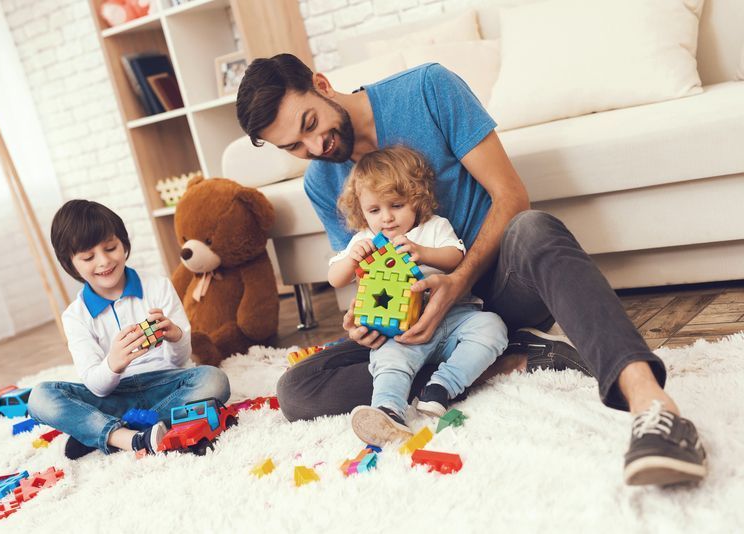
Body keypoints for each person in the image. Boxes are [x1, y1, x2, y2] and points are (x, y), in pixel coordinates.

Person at [235, 53, 707, 486]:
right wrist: (365, 318)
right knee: (298, 391)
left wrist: (457, 281)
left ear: (321, 84)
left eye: (311, 124)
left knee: (534, 227)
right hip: (420, 323)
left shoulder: (427, 89)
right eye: (294, 146)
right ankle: (504, 357)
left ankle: (652, 406)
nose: (315, 146)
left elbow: (511, 195)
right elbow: (364, 271)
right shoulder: (322, 179)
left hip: (498, 287)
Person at [330, 145, 508, 446]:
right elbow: (335, 278)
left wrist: (422, 252)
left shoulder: (433, 227)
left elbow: (455, 257)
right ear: (362, 211)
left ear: (416, 199)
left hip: (455, 318)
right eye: (374, 210)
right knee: (388, 359)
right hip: (403, 332)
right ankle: (388, 409)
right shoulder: (364, 241)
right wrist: (352, 259)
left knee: (493, 327)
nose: (386, 218)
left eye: (396, 205)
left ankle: (441, 388)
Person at [27, 200, 230, 459]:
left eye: (110, 248)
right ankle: (129, 436)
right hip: (114, 395)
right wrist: (113, 363)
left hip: (165, 383)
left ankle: (103, 432)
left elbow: (180, 362)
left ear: (123, 244)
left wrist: (176, 337)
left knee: (213, 379)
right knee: (40, 396)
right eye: (89, 257)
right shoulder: (75, 316)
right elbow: (96, 386)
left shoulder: (158, 286)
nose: (103, 261)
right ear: (71, 264)